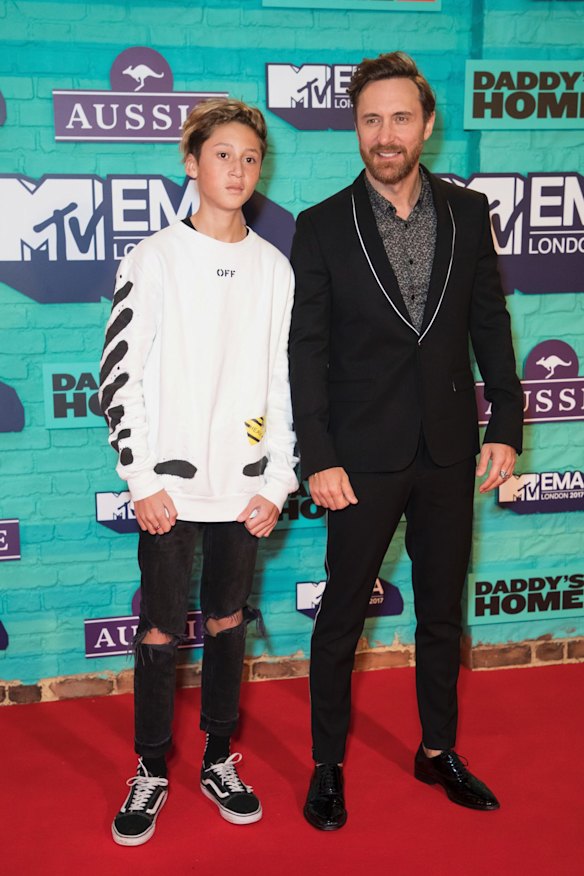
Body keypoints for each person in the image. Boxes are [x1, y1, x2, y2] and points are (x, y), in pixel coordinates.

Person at [288, 52, 523, 831]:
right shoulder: (322, 226)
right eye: (370, 120)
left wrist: (507, 424)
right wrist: (319, 455)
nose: (384, 134)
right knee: (341, 619)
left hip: (450, 449)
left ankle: (437, 749)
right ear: (355, 129)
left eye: (398, 117)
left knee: (441, 614)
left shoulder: (467, 213)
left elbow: (489, 321)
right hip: (358, 459)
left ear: (426, 124)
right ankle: (328, 765)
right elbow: (306, 352)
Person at [99, 98, 298, 846]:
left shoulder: (275, 268)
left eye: (250, 158)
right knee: (158, 629)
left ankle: (218, 758)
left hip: (244, 488)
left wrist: (276, 481)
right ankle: (150, 768)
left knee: (225, 622)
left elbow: (284, 384)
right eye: (222, 155)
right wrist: (141, 479)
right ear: (191, 162)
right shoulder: (152, 258)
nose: (237, 170)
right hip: (168, 490)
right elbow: (120, 375)